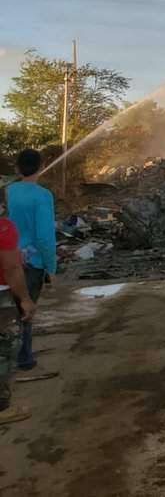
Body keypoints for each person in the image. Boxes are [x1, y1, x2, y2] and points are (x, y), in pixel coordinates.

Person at [5, 149, 56, 371]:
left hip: (7, 257)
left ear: (17, 168)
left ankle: (10, 353)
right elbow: (44, 237)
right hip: (31, 262)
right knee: (26, 308)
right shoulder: (43, 196)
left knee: (8, 308)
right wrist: (51, 266)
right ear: (41, 167)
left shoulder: (8, 191)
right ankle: (24, 357)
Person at [0, 215, 35, 424]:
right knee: (5, 350)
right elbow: (11, 267)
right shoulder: (3, 227)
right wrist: (25, 299)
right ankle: (2, 408)